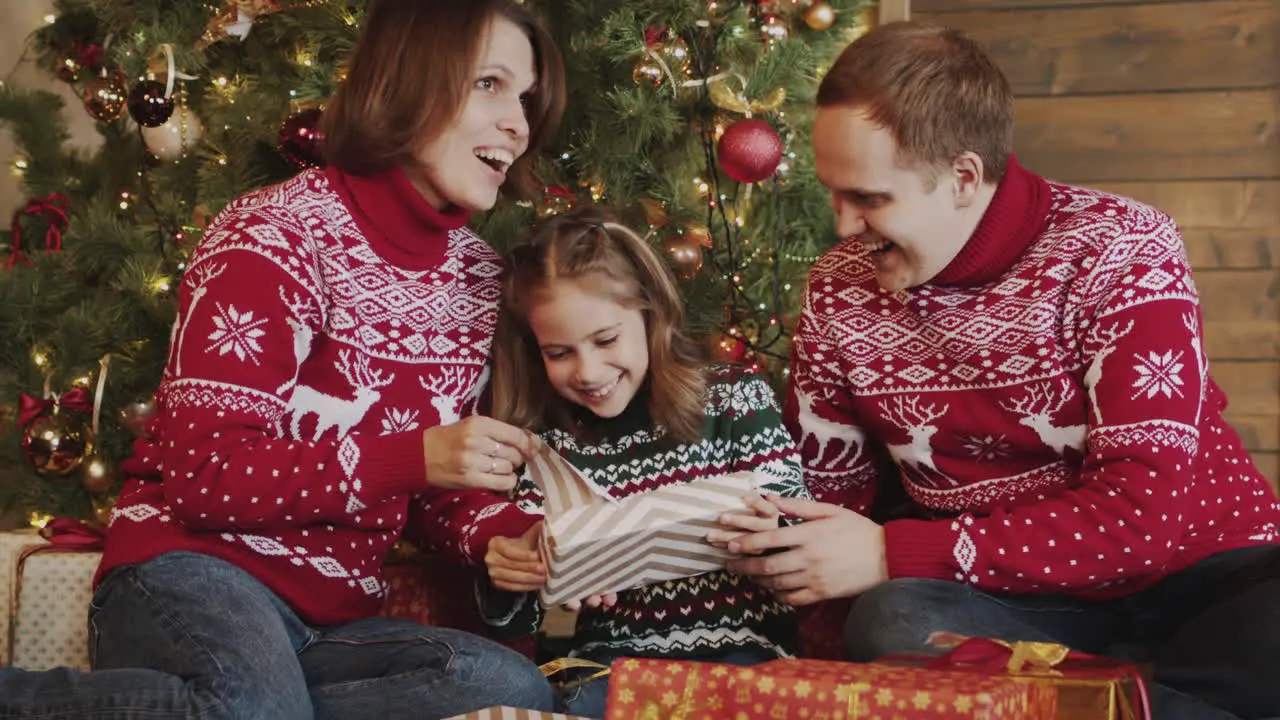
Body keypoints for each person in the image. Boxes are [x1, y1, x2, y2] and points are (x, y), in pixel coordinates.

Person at [0, 1, 566, 718]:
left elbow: (436, 482)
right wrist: (415, 457)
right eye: (490, 83)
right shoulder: (272, 234)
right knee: (254, 707)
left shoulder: (481, 283)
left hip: (329, 623)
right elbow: (204, 477)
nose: (519, 121)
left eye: (526, 96)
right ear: (405, 82)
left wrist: (506, 536)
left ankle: (253, 705)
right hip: (194, 572)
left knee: (508, 687)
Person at [718, 21, 1280, 720]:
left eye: (868, 199)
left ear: (962, 178)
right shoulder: (838, 288)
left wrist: (896, 553)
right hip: (1013, 600)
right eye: (834, 193)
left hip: (1203, 572)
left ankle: (1082, 699)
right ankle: (1139, 698)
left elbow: (1143, 519)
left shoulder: (1121, 247)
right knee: (891, 622)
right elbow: (827, 502)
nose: (842, 227)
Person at [434, 207, 812, 719]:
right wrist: (514, 573)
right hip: (607, 671)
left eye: (606, 340)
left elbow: (797, 524)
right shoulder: (543, 447)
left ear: (650, 313)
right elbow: (519, 624)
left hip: (743, 660)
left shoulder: (732, 398)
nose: (588, 372)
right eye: (559, 352)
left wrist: (774, 526)